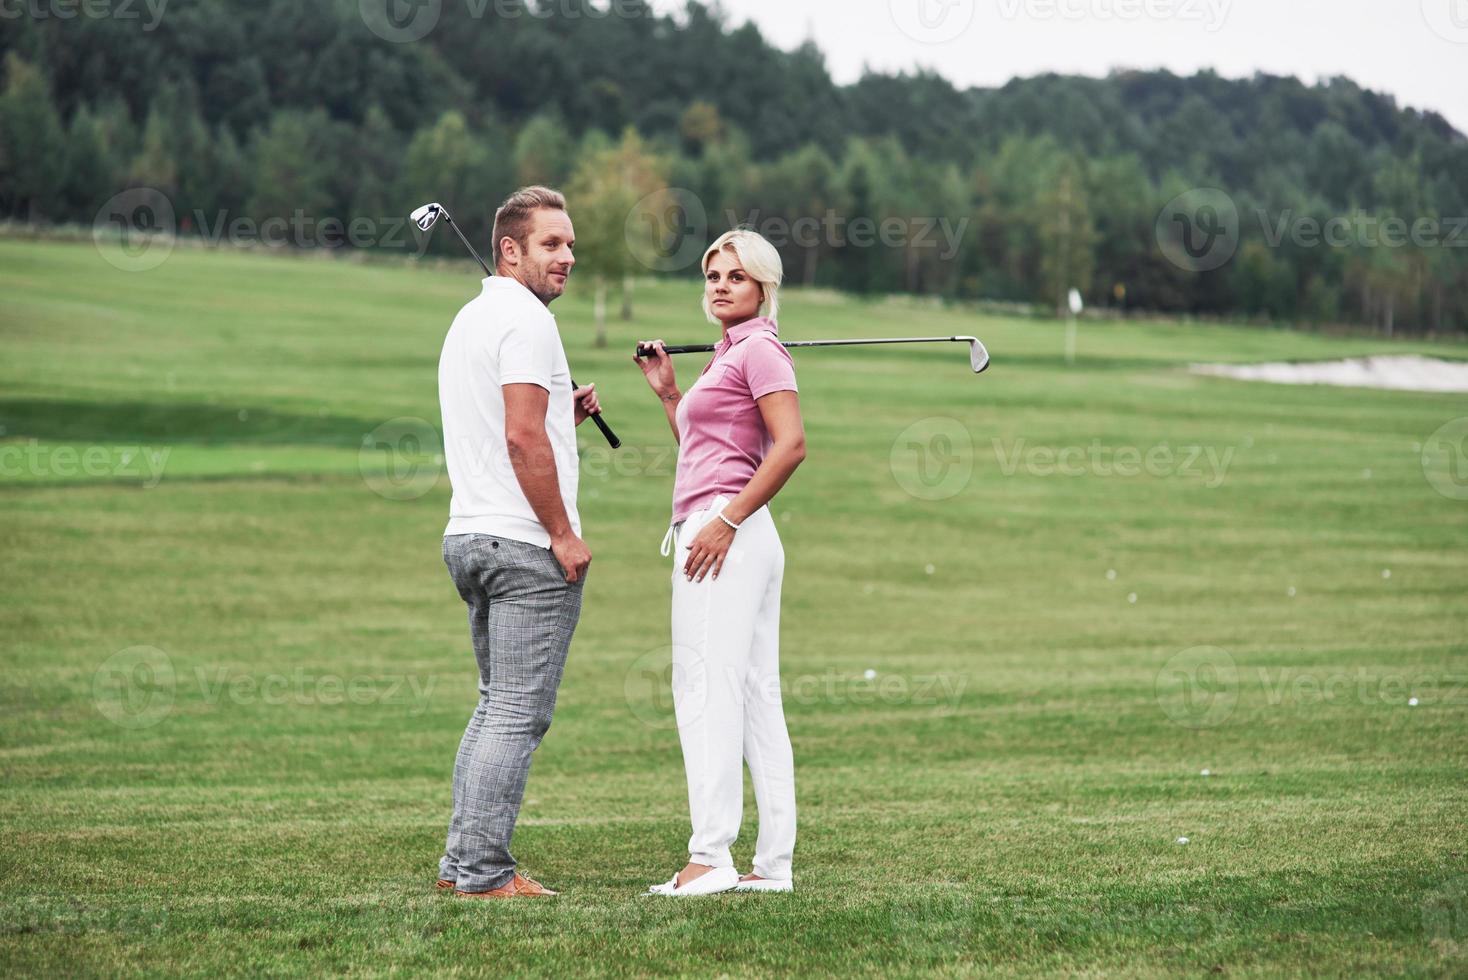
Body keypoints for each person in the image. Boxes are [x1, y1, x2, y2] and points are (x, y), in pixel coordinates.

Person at [435, 186, 601, 899]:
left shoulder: (472, 318)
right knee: (515, 711)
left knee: (493, 702)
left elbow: (517, 424)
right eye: (551, 245)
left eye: (570, 246)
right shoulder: (529, 323)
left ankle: (461, 866)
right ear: (510, 249)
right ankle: (481, 874)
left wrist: (564, 416)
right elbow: (519, 435)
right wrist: (563, 533)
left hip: (470, 534)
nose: (567, 258)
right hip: (524, 545)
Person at [633, 229, 807, 896]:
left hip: (727, 533)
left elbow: (789, 447)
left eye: (735, 276)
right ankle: (773, 866)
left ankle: (710, 858)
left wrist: (725, 522)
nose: (719, 286)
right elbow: (710, 452)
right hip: (734, 529)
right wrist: (669, 396)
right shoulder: (732, 352)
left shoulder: (760, 348)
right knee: (757, 697)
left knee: (705, 690)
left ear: (763, 286)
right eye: (712, 276)